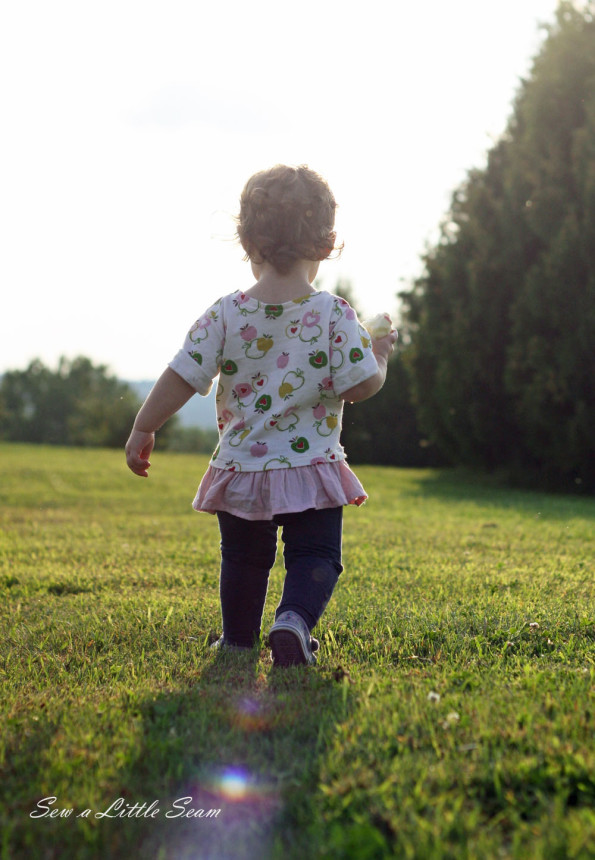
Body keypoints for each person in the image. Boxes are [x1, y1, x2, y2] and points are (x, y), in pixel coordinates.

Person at [125, 164, 397, 667]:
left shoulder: (225, 313)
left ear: (248, 243)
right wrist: (378, 355)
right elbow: (358, 385)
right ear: (324, 245)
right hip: (311, 468)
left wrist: (145, 425)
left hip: (243, 468)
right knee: (315, 556)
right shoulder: (335, 314)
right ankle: (293, 621)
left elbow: (183, 374)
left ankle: (238, 640)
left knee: (245, 560)